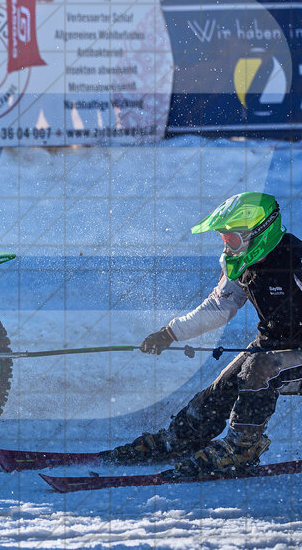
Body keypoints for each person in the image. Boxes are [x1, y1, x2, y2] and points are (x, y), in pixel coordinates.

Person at [106, 193, 301, 478]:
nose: (227, 246)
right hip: (273, 348)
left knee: (259, 369)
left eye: (232, 238)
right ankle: (180, 438)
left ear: (259, 232)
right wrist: (170, 333)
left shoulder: (295, 260)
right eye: (224, 239)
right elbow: (219, 307)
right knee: (223, 385)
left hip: (284, 357)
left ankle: (242, 448)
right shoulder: (242, 264)